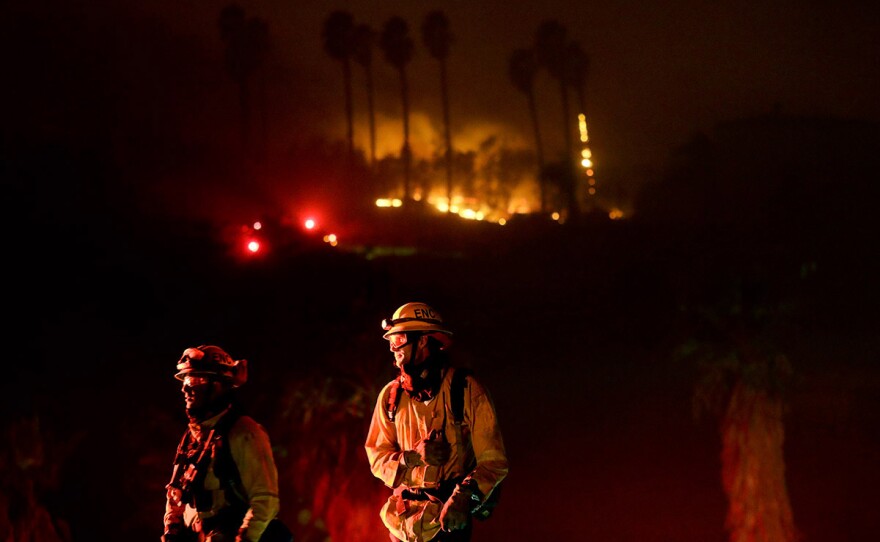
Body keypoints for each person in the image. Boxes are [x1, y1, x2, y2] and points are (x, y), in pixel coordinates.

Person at [365, 302, 509, 542]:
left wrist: (463, 497)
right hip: (401, 525)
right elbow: (377, 458)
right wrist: (413, 458)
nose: (392, 348)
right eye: (390, 341)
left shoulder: (466, 390)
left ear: (422, 340)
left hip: (448, 523)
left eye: (398, 339)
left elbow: (493, 461)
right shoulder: (390, 397)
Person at [161, 345, 292, 542]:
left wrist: (245, 537)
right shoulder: (191, 436)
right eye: (186, 379)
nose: (185, 387)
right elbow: (176, 492)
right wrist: (173, 527)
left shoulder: (244, 432)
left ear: (218, 384)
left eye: (195, 379)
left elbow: (265, 499)